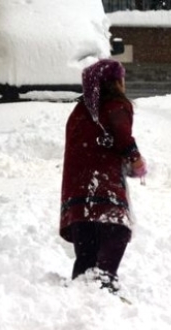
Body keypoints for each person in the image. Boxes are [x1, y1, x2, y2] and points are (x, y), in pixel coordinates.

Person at [60, 59, 147, 292]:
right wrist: (136, 160)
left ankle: (82, 291)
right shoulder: (116, 105)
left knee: (86, 251)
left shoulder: (79, 111)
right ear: (115, 82)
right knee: (117, 230)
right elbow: (122, 136)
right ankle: (104, 281)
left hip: (77, 192)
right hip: (104, 186)